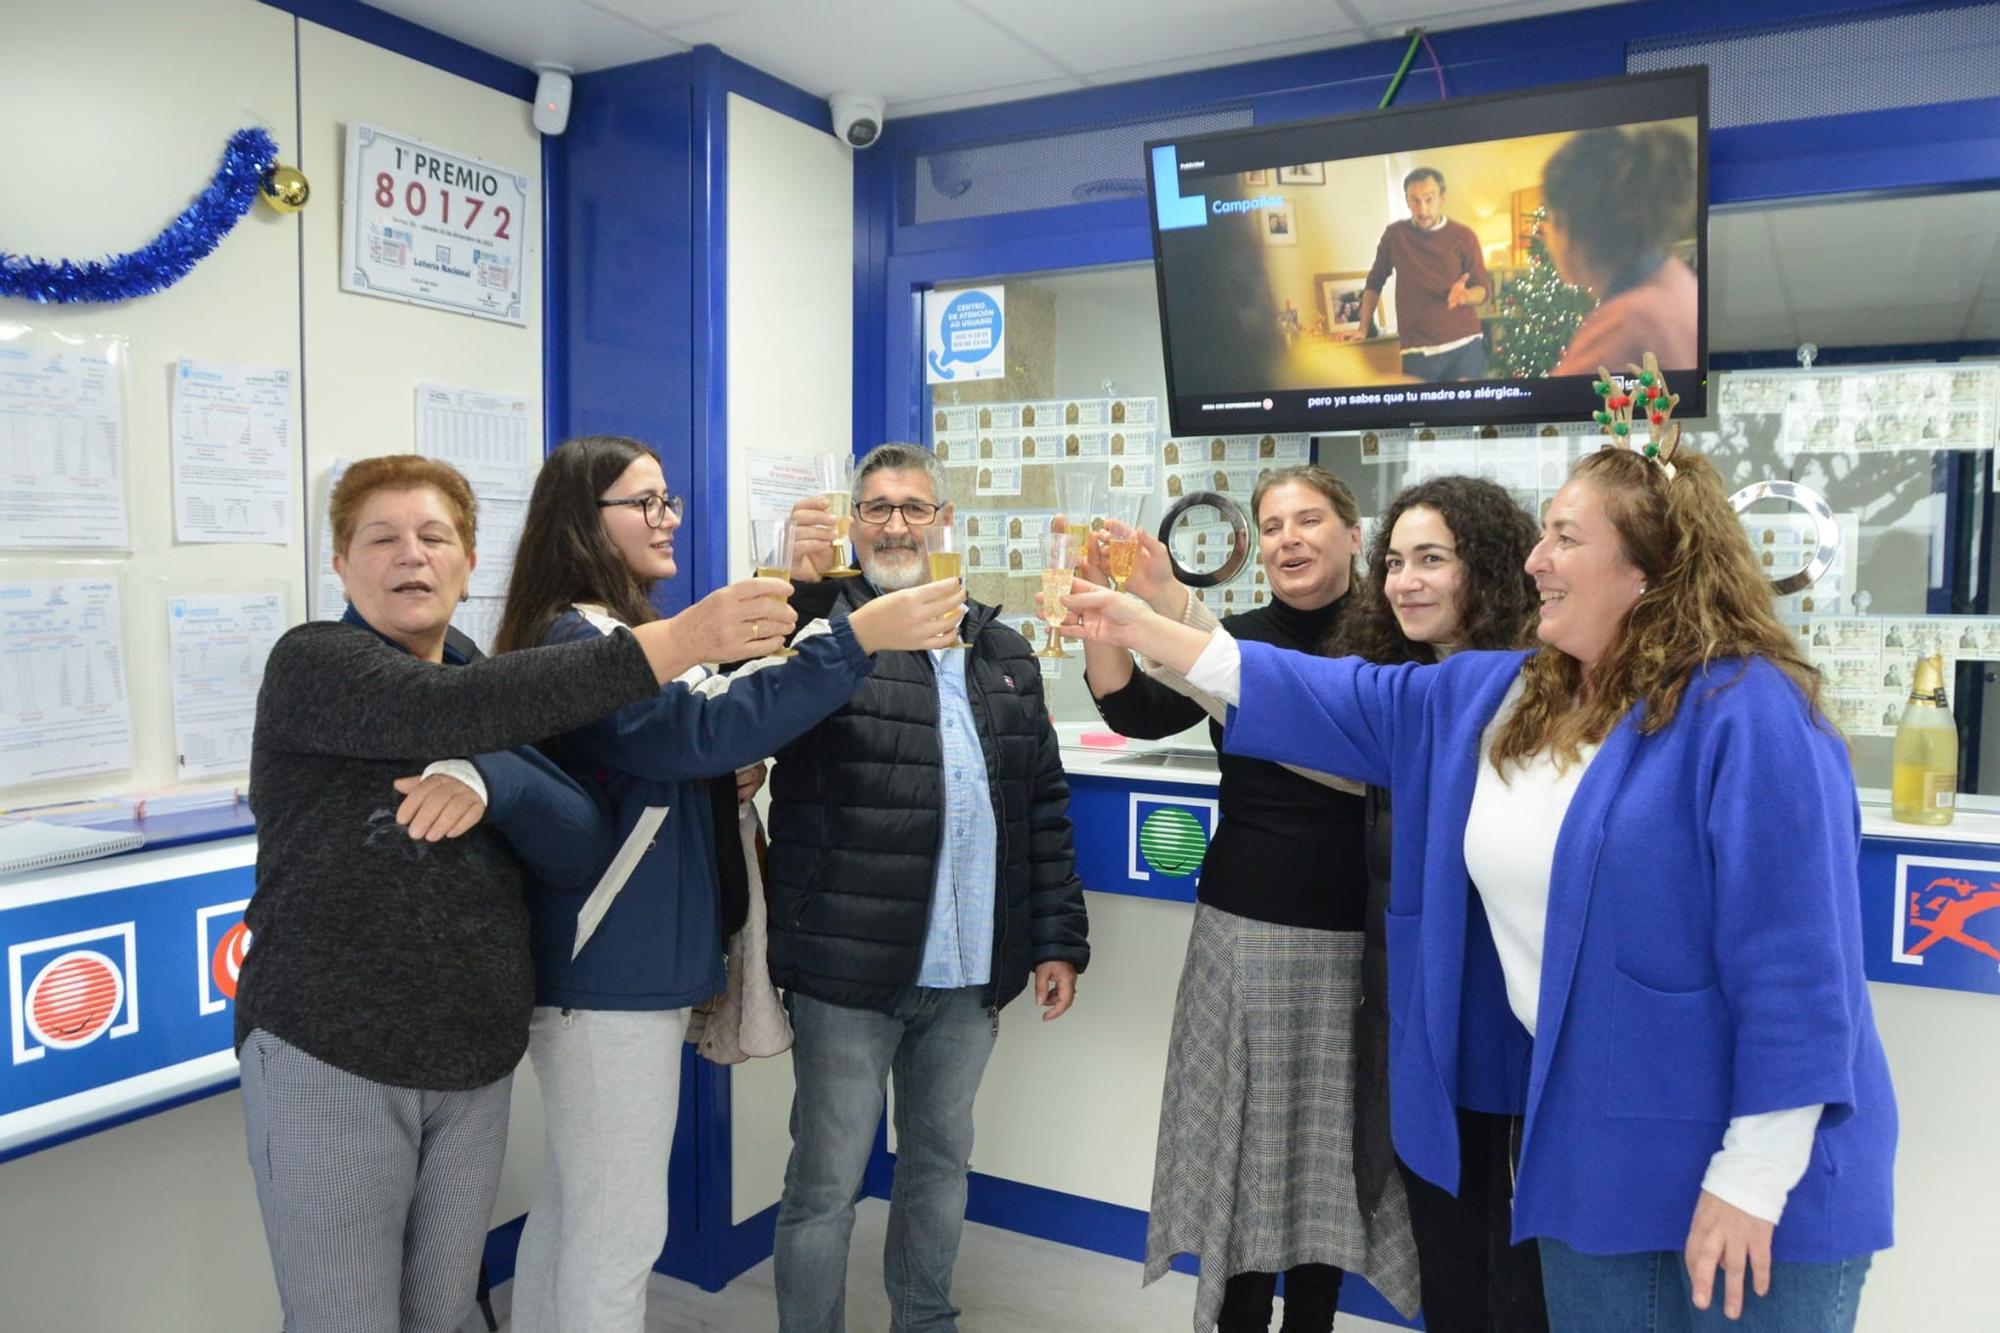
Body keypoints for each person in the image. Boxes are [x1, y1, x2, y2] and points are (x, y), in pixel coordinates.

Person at [1060, 442, 1896, 1331]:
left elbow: (1799, 970)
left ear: (1652, 569)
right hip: (1589, 1146)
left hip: (1743, 1160)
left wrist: (1754, 1174)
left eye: (1566, 538)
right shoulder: (1508, 691)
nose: (1536, 558)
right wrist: (1141, 626)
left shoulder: (1751, 709)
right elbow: (1318, 692)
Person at [239, 455, 796, 1333]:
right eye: (380, 539)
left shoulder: (471, 666)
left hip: (470, 1059)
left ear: (467, 564)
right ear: (340, 566)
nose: (410, 557)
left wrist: (497, 780)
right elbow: (445, 711)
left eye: (434, 538)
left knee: (447, 1312)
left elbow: (575, 838)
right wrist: (685, 639)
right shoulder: (317, 663)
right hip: (330, 1049)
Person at [493, 435, 964, 1333]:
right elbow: (696, 732)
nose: (668, 519)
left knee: (575, 1213)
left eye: (670, 500)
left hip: (619, 971)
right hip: (608, 978)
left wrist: (721, 765)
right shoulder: (587, 634)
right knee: (617, 1239)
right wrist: (853, 635)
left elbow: (696, 730)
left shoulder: (612, 629)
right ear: (583, 522)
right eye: (647, 503)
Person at [1070, 465, 1421, 1332]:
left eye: (1309, 520)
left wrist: (1160, 616)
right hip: (1244, 930)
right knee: (1243, 1162)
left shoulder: (1395, 641)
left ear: (1353, 533)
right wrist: (1101, 614)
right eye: (1271, 526)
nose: (1289, 539)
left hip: (1356, 941)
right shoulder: (1232, 634)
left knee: (1323, 1171)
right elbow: (1134, 710)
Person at [768, 443, 1091, 1332]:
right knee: (825, 1181)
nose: (897, 524)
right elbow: (753, 700)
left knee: (940, 1164)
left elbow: (1043, 808)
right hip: (848, 972)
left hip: (970, 965)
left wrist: (1058, 936)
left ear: (945, 520)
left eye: (915, 507)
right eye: (876, 508)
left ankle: (923, 1320)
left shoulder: (1003, 648)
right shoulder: (823, 640)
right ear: (853, 524)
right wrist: (800, 591)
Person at [1543, 126, 1700, 377]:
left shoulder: (1627, 323)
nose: (1546, 233)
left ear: (1569, 225)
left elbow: (1549, 411)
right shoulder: (1672, 274)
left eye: (1550, 220)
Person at [1356, 167, 1491, 383]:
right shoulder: (1395, 235)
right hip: (1417, 353)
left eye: (1429, 199)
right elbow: (1374, 282)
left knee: (1465, 416)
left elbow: (1483, 289)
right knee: (1422, 415)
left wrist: (1466, 296)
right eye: (1415, 200)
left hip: (1464, 346)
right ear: (1407, 201)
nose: (1422, 209)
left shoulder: (1464, 236)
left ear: (1442, 198)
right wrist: (1362, 328)